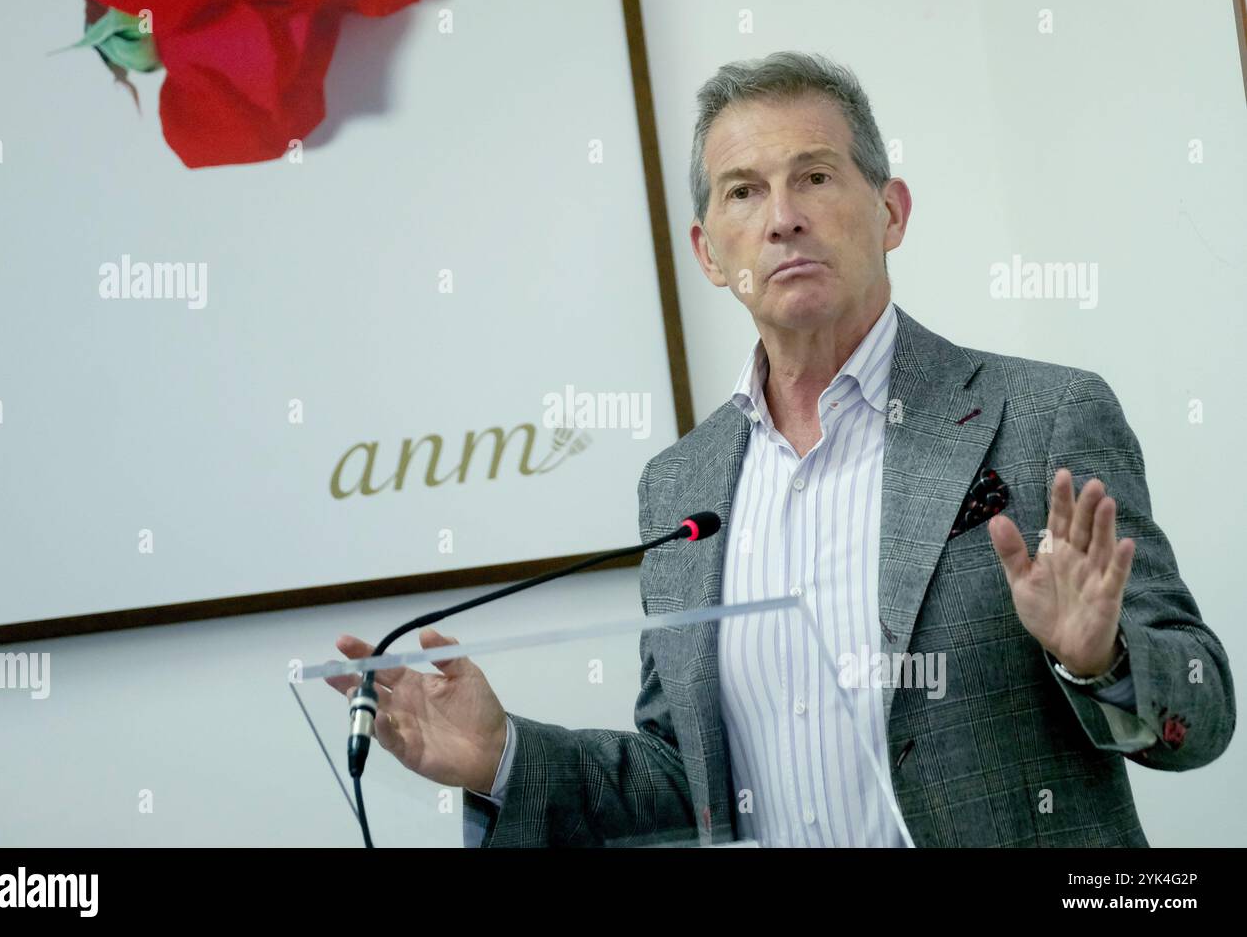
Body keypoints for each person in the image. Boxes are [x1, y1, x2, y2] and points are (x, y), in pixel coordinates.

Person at [328, 51, 1234, 847]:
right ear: (710, 253)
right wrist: (503, 755)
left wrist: (1101, 659)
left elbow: (1204, 710)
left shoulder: (1041, 414)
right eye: (744, 191)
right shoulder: (677, 487)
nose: (783, 218)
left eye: (815, 177)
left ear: (891, 212)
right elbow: (683, 779)